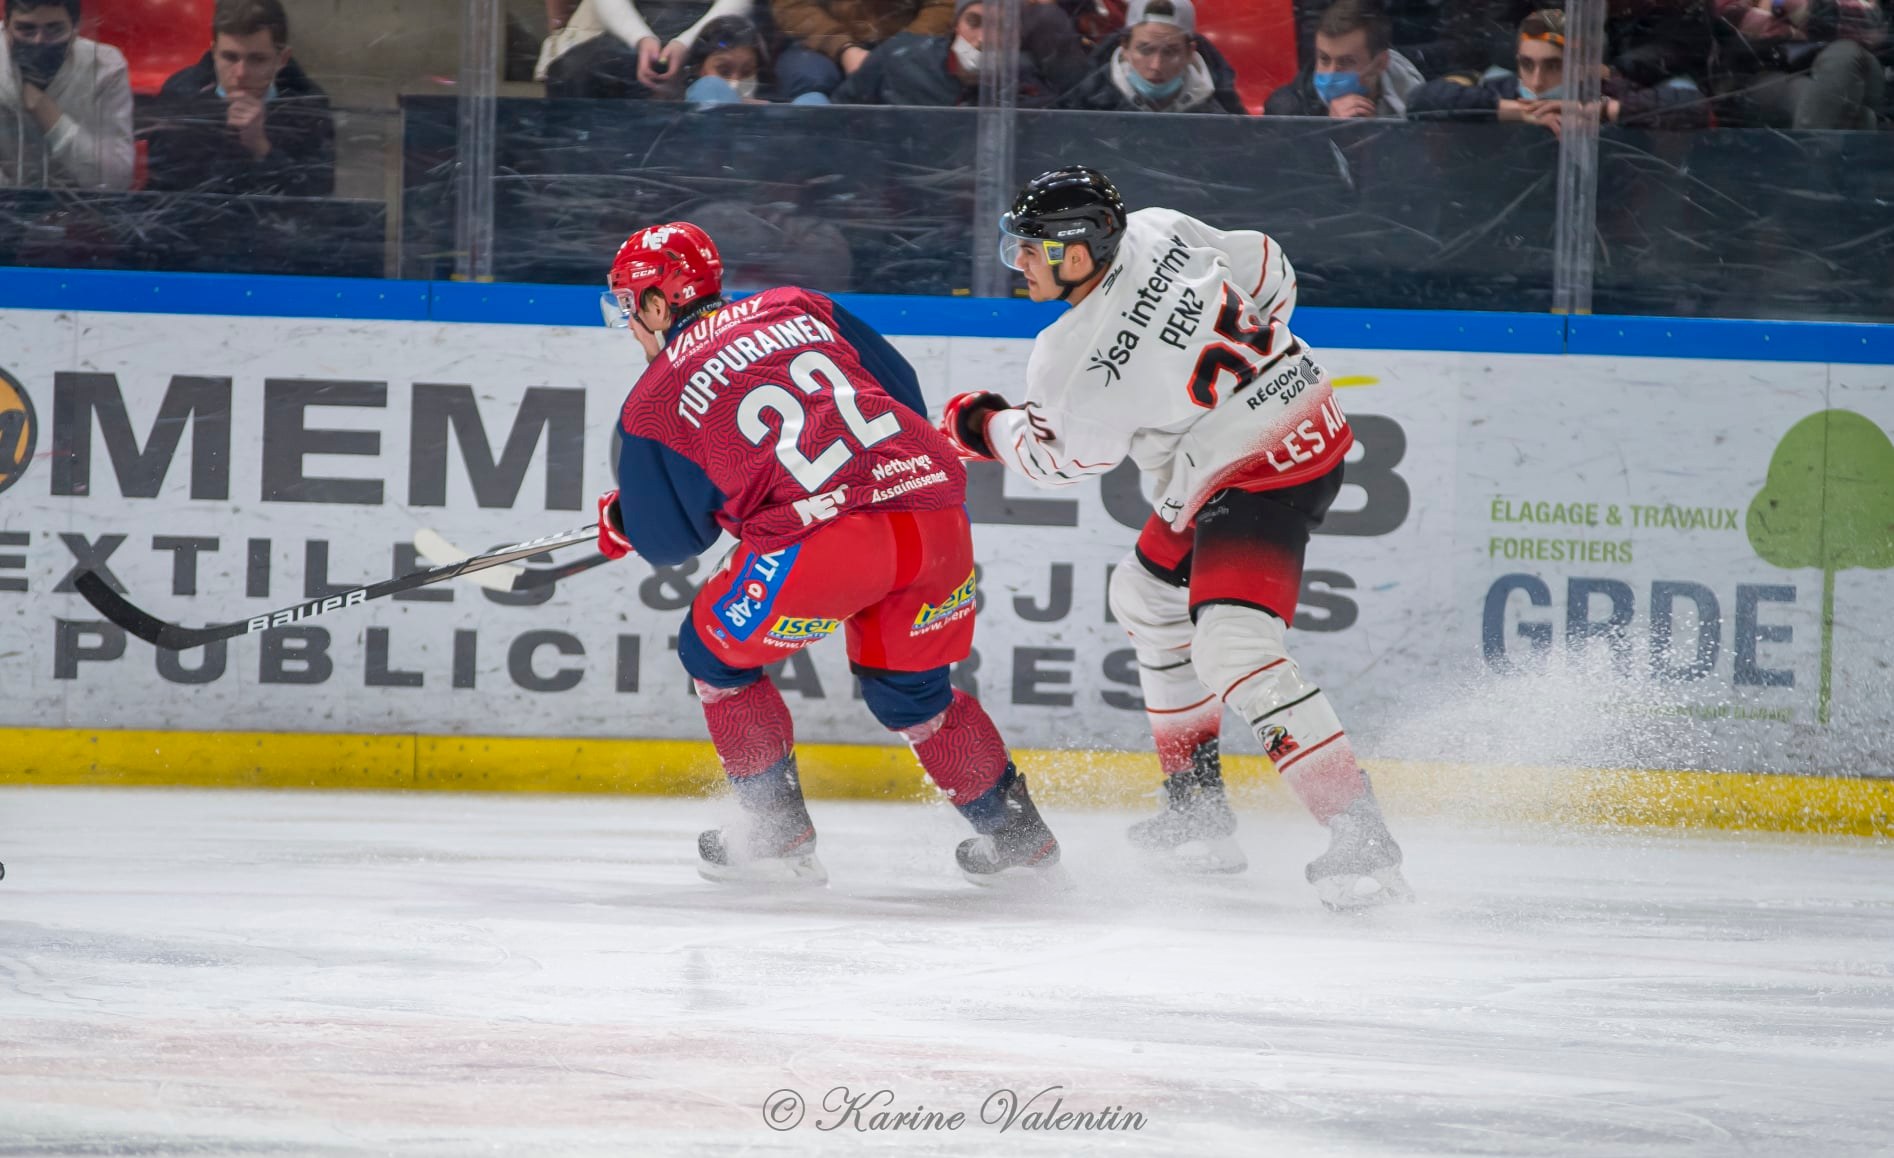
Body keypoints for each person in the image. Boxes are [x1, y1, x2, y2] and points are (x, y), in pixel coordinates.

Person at [935, 167, 1412, 910]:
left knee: (1233, 648)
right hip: (1287, 424)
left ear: (1082, 252)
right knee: (1146, 593)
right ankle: (1196, 814)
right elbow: (1266, 263)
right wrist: (1260, 373)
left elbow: (1062, 459)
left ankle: (1360, 833)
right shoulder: (1158, 225)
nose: (1019, 263)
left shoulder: (1068, 360)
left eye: (1034, 249)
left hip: (1257, 474)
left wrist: (977, 425)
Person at [596, 221, 1063, 886]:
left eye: (628, 306)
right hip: (934, 515)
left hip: (827, 543)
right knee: (916, 697)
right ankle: (1021, 843)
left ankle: (777, 832)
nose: (631, 326)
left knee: (713, 655)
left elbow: (674, 542)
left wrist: (629, 521)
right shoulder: (798, 304)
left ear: (656, 303)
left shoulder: (655, 397)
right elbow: (900, 392)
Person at [1406, 9, 1713, 134]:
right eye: (1527, 64)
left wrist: (1594, 111)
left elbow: (1692, 109)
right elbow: (1422, 100)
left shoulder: (1607, 91)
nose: (1537, 81)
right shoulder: (1503, 90)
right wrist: (1519, 112)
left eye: (1554, 66)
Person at [147, 0, 335, 198]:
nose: (241, 73)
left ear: (282, 59)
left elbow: (318, 197)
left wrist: (261, 147)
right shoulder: (181, 94)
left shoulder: (308, 104)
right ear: (214, 53)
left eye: (257, 59)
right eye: (229, 57)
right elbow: (164, 187)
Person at [829, 0, 1086, 107]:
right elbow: (840, 118)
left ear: (1015, 37)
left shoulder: (1030, 91)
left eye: (999, 27)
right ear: (955, 25)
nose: (983, 38)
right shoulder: (900, 58)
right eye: (974, 22)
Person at [0, 0, 132, 190]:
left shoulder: (105, 68)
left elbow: (116, 180)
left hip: (80, 209)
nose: (38, 41)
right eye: (26, 29)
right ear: (6, 26)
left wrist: (48, 113)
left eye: (54, 30)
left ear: (76, 28)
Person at [1712, 0, 1886, 129]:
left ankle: (1810, 165)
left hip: (1852, 65)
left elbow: (1873, 27)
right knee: (1858, 118)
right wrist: (1789, 27)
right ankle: (1817, 159)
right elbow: (1727, 13)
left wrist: (1803, 9)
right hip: (1770, 68)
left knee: (1844, 55)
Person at [541, 0, 755, 100]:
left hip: (709, 28)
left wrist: (686, 43)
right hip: (635, 25)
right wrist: (640, 38)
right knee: (568, 72)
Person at [1059, 0, 1245, 115]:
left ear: (1190, 52)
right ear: (1125, 46)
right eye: (1145, 50)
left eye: (1170, 52)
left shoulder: (1223, 111)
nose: (1156, 66)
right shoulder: (1082, 104)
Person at [1264, 0, 1424, 119]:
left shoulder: (1417, 97)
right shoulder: (1287, 110)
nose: (1331, 73)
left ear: (1380, 63)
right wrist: (1331, 129)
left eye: (1346, 62)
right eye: (1324, 59)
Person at [772, 0, 956, 100]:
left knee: (925, 82)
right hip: (822, 46)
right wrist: (843, 47)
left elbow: (942, 7)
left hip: (906, 46)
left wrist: (900, 48)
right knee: (808, 78)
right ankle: (810, 135)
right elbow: (792, 6)